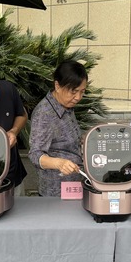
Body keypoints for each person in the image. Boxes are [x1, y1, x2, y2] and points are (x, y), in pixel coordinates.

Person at [29, 61, 87, 197]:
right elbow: (35, 154)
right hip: (56, 191)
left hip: (73, 186)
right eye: (73, 92)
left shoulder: (66, 105)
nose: (78, 97)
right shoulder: (45, 113)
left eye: (82, 92)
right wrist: (60, 163)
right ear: (57, 86)